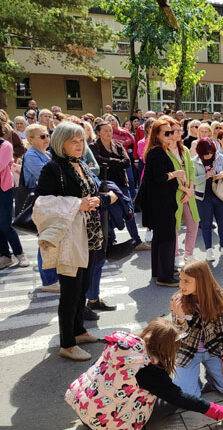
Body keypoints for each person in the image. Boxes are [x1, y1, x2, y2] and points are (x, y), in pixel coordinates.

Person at [34, 122, 117, 360]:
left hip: (89, 235)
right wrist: (77, 204)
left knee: (82, 287)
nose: (79, 145)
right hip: (69, 237)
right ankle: (67, 343)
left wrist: (104, 197)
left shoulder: (81, 164)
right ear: (61, 143)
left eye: (81, 141)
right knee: (70, 291)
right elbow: (42, 204)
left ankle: (78, 330)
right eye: (73, 141)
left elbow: (91, 192)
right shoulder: (52, 168)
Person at [66, 318, 223, 429]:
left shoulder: (121, 348)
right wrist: (210, 408)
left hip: (84, 408)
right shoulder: (149, 369)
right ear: (166, 349)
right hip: (106, 424)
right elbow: (177, 396)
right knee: (170, 401)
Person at [171, 261, 223, 397]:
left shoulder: (216, 296)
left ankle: (212, 377)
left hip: (212, 350)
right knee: (189, 396)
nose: (181, 285)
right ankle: (193, 380)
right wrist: (181, 319)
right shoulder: (178, 300)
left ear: (201, 281)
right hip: (187, 353)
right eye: (180, 279)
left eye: (186, 281)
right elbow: (177, 336)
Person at [94, 122, 148, 251]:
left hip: (121, 183)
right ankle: (110, 241)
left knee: (128, 211)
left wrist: (109, 161)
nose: (109, 133)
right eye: (105, 130)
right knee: (108, 213)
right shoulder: (94, 146)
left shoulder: (117, 145)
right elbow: (98, 160)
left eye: (110, 130)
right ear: (98, 133)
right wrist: (115, 161)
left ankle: (137, 240)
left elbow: (127, 162)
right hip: (105, 185)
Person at [141, 118, 182, 287]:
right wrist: (175, 174)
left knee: (160, 237)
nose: (171, 135)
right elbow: (158, 178)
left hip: (160, 201)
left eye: (171, 132)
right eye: (166, 132)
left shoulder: (158, 150)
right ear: (157, 135)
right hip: (161, 202)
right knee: (166, 237)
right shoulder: (157, 152)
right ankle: (164, 276)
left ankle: (160, 271)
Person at [20, 124, 58, 288]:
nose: (47, 139)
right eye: (42, 136)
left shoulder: (47, 154)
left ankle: (52, 276)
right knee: (46, 240)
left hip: (50, 202)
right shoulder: (31, 156)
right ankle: (49, 281)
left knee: (51, 239)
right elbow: (47, 178)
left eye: (47, 135)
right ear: (30, 139)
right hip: (41, 204)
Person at [193, 139, 223, 261]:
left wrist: (222, 173)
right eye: (205, 153)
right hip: (202, 196)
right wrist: (206, 176)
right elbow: (193, 180)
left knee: (222, 221)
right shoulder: (194, 161)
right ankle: (209, 250)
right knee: (206, 224)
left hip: (219, 194)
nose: (208, 155)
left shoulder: (219, 157)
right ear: (199, 152)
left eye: (210, 152)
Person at [165, 120, 200, 268]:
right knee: (175, 225)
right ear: (169, 133)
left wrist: (190, 188)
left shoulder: (184, 149)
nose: (180, 133)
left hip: (188, 193)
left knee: (194, 223)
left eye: (180, 130)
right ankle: (176, 255)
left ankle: (188, 254)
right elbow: (168, 174)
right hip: (175, 193)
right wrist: (184, 189)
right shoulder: (164, 150)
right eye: (176, 131)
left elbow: (191, 169)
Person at [0, 137, 28, 270]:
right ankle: (5, 256)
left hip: (3, 190)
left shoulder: (5, 145)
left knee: (5, 224)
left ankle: (20, 253)